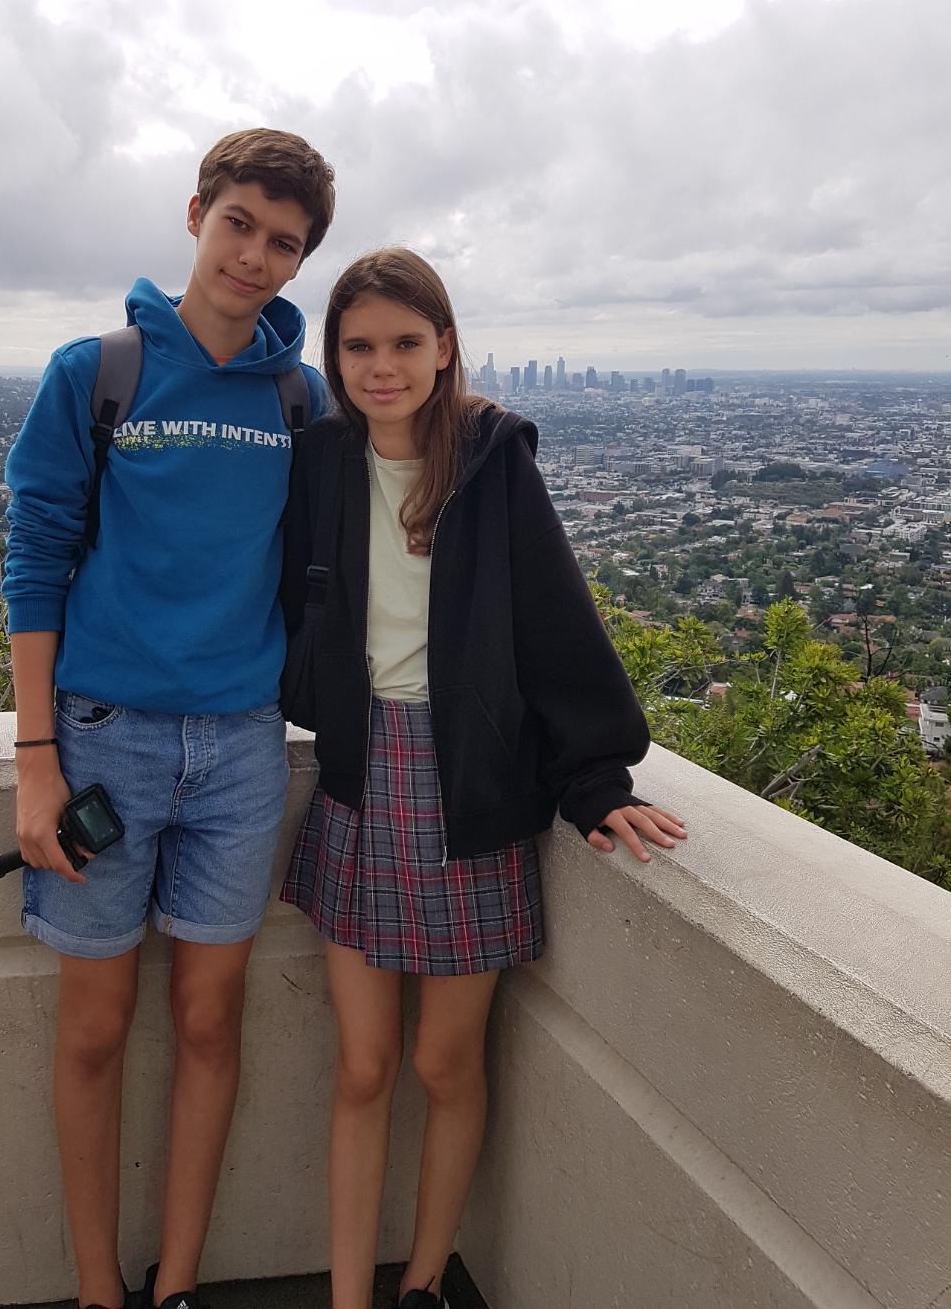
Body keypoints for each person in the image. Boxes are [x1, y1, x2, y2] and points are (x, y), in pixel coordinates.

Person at [279, 248, 687, 1309]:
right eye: (358, 346)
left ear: (444, 347)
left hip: (471, 781)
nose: (381, 367)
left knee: (443, 1066)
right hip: (358, 774)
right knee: (363, 1066)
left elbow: (552, 621)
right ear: (333, 356)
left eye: (404, 343)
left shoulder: (492, 459)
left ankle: (421, 1283)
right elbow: (277, 598)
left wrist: (596, 780)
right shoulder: (319, 459)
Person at [2, 129, 336, 1309]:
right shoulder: (97, 372)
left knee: (208, 1024)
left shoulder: (298, 398)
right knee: (96, 1030)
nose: (253, 255)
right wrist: (35, 758)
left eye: (282, 242)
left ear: (299, 262)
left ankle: (178, 1280)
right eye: (238, 223)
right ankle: (100, 1290)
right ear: (197, 215)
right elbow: (35, 562)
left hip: (242, 749)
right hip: (103, 740)